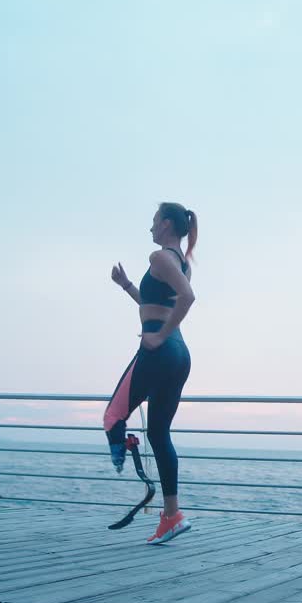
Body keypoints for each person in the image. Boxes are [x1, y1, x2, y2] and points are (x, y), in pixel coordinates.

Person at [104, 202, 197, 544]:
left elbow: (187, 298)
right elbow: (154, 304)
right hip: (179, 354)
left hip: (160, 348)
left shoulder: (159, 258)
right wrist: (127, 285)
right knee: (159, 434)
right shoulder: (180, 262)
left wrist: (158, 335)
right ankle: (171, 517)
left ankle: (123, 452)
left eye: (154, 222)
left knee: (113, 417)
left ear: (168, 225)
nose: (151, 228)